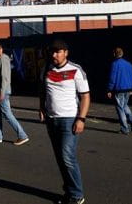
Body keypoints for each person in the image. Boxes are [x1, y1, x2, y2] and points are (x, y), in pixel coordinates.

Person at [39, 40, 90, 204]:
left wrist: (81, 118)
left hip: (69, 120)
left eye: (58, 52)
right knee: (60, 158)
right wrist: (41, 108)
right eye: (52, 52)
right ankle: (69, 191)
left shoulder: (76, 70)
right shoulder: (46, 69)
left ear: (65, 53)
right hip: (51, 119)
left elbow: (85, 96)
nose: (54, 55)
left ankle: (77, 195)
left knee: (67, 157)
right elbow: (43, 91)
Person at [0, 42, 29, 146]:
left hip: (3, 91)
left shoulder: (4, 59)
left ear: (1, 50)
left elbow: (5, 78)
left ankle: (22, 135)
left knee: (7, 114)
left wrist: (2, 93)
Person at [107, 47, 132, 135]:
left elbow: (112, 78)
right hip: (128, 88)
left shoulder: (115, 64)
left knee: (120, 108)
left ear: (114, 54)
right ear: (122, 54)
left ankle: (125, 128)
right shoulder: (129, 64)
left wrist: (109, 89)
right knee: (124, 106)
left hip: (119, 89)